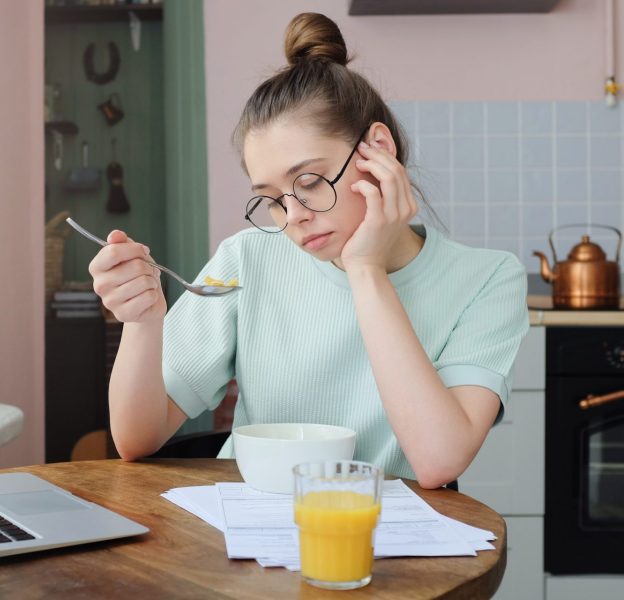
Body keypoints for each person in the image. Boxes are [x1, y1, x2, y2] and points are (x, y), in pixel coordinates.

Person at [89, 12, 529, 489]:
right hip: (244, 541)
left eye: (311, 182)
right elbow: (135, 438)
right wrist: (144, 320)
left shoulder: (488, 280)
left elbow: (438, 460)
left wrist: (365, 269)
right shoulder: (247, 259)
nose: (292, 215)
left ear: (378, 149)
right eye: (271, 199)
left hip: (387, 550)